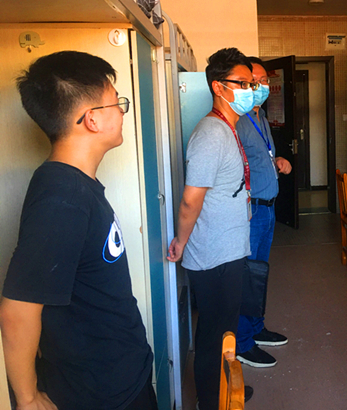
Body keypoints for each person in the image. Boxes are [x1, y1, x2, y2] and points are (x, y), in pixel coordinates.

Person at [0, 51, 156, 410]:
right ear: (92, 119)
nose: (122, 112)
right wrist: (28, 398)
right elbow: (17, 309)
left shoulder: (74, 185)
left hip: (118, 375)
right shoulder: (62, 197)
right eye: (116, 102)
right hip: (99, 393)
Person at [167, 47, 255, 409]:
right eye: (243, 83)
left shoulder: (226, 128)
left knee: (225, 330)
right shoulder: (210, 134)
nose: (250, 90)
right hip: (213, 255)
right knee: (214, 333)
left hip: (227, 248)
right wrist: (181, 241)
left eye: (251, 84)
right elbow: (191, 200)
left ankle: (222, 387)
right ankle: (209, 400)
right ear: (219, 87)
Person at [234, 57, 292, 368]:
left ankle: (256, 329)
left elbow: (260, 158)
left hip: (268, 209)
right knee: (248, 276)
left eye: (264, 81)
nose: (260, 87)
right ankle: (243, 343)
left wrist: (277, 161)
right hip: (251, 211)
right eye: (253, 82)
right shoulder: (237, 121)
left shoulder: (262, 118)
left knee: (259, 274)